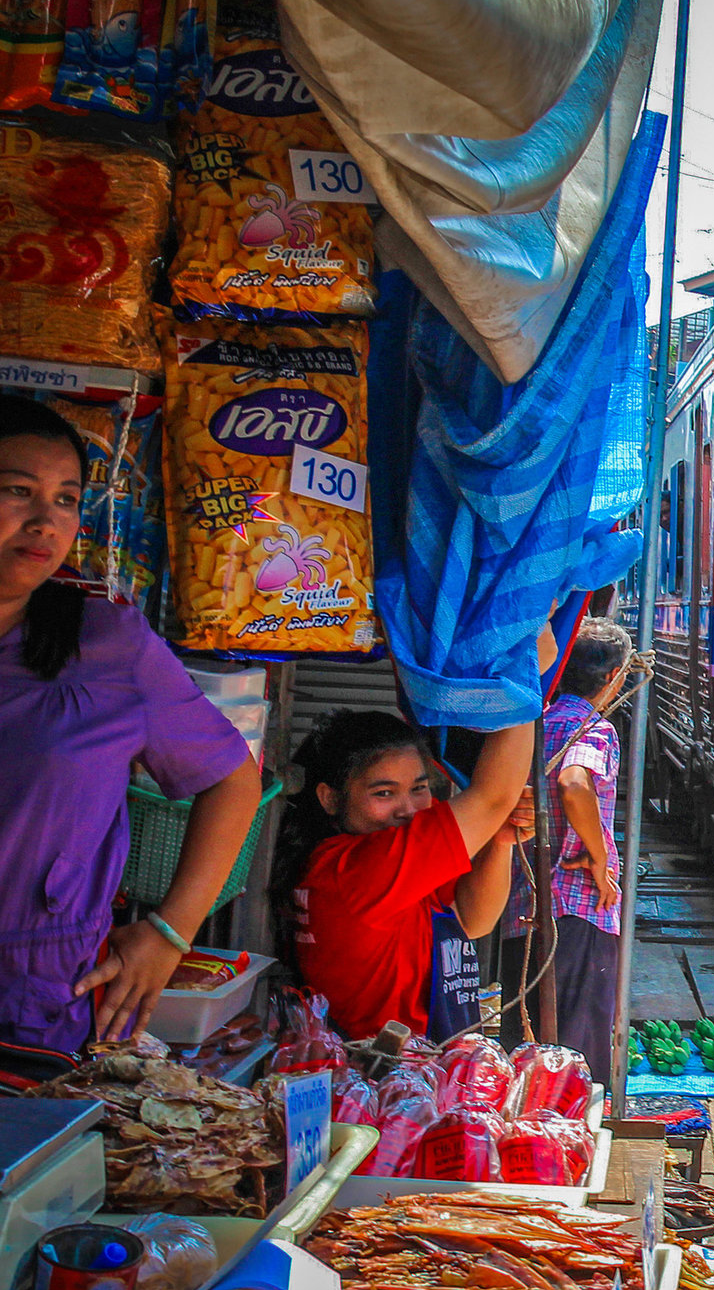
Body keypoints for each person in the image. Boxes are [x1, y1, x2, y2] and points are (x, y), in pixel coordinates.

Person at [0, 396, 262, 1058]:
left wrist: (170, 933)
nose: (44, 520)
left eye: (64, 498)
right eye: (17, 491)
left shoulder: (106, 642)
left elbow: (233, 779)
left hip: (39, 999)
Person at [276, 711, 535, 1041]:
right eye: (384, 793)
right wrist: (522, 680)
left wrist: (499, 840)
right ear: (330, 798)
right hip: (382, 1076)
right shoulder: (358, 869)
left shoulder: (378, 861)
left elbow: (472, 920)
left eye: (419, 788)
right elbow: (492, 799)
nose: (408, 810)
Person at [546, 619, 634, 1086]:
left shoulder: (538, 722)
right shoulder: (592, 728)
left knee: (535, 1046)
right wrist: (600, 859)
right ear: (612, 677)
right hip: (580, 907)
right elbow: (574, 783)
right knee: (573, 1055)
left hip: (530, 905)